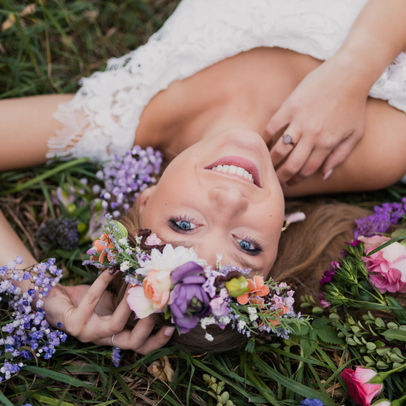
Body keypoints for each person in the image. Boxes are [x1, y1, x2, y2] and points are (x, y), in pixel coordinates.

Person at [1, 0, 406, 353]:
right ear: (279, 232)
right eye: (247, 245)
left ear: (146, 198)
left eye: (183, 224)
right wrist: (353, 71)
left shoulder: (123, 118)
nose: (231, 200)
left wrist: (39, 292)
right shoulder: (372, 151)